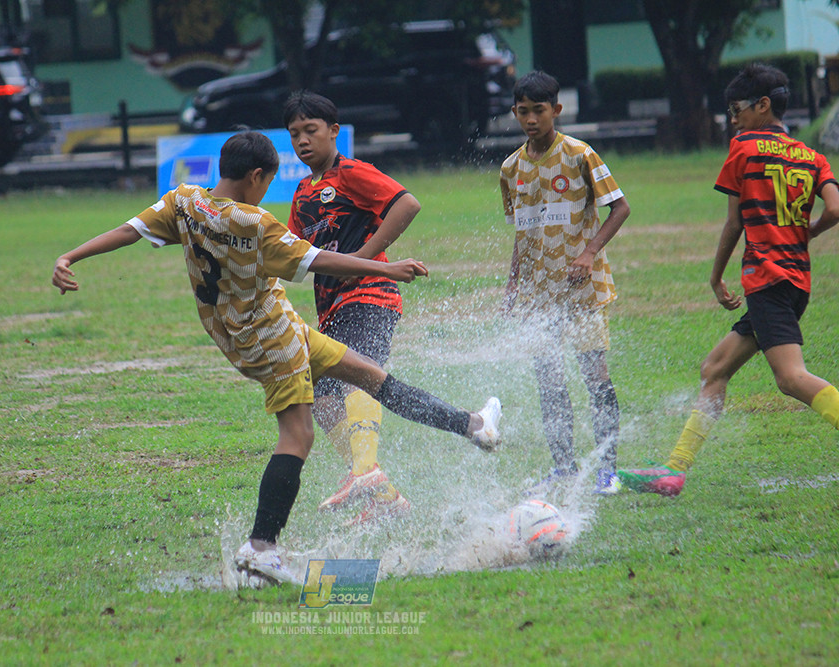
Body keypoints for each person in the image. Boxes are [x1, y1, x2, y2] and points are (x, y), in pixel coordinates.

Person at [51, 131, 503, 587]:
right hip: (275, 340)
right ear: (256, 176)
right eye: (266, 182)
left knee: (369, 376)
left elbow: (129, 231)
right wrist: (386, 268)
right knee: (298, 436)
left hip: (253, 336)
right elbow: (322, 261)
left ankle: (473, 425)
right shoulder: (254, 224)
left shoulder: (183, 202)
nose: (267, 191)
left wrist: (71, 255)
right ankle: (261, 547)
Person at [619, 63, 839, 497]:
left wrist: (717, 277)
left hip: (767, 280)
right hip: (795, 283)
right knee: (714, 368)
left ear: (763, 105)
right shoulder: (812, 156)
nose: (732, 118)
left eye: (737, 109)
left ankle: (675, 470)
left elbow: (735, 222)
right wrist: (806, 234)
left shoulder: (743, 149)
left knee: (790, 378)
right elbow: (834, 208)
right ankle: (674, 471)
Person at [284, 91, 422, 524]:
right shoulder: (303, 194)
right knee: (320, 397)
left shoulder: (352, 173)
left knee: (358, 378)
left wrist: (363, 258)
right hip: (332, 309)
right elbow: (292, 256)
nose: (303, 141)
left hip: (370, 295)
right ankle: (378, 488)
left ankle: (364, 471)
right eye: (294, 134)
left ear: (334, 131)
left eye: (311, 130)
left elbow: (407, 204)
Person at [499, 70, 630, 496]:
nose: (531, 119)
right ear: (515, 113)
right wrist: (513, 282)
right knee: (549, 380)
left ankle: (606, 471)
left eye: (540, 110)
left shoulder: (579, 154)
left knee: (595, 376)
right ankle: (563, 467)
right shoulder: (510, 168)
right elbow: (523, 230)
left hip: (582, 290)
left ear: (556, 109)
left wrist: (588, 252)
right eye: (524, 111)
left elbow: (621, 208)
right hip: (538, 295)